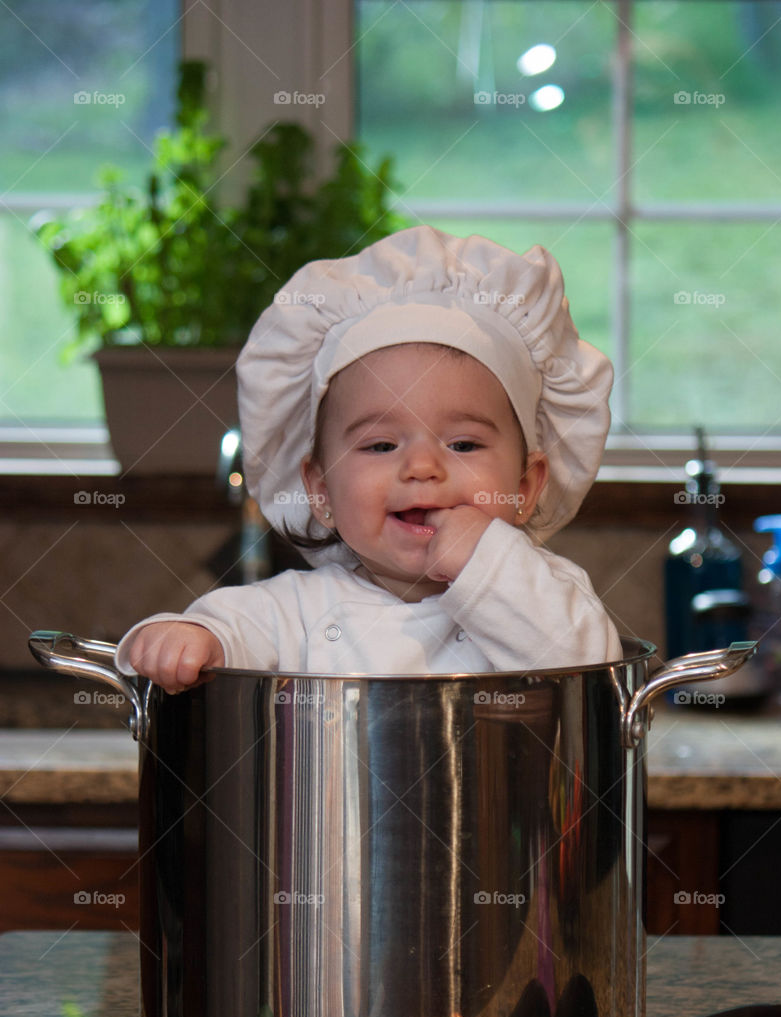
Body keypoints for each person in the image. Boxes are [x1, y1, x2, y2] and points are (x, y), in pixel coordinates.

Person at [116, 225, 621, 691]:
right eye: (381, 446)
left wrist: (486, 563)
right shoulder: (296, 609)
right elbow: (226, 630)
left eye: (463, 445)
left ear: (527, 487)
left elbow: (587, 670)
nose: (422, 468)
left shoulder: (550, 593)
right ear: (320, 490)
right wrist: (186, 636)